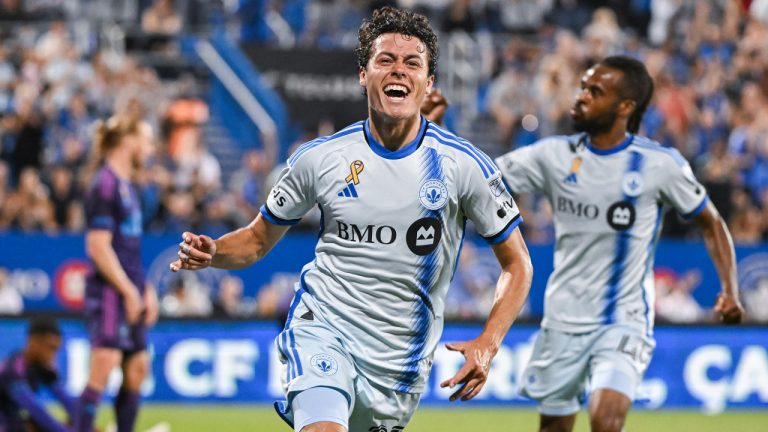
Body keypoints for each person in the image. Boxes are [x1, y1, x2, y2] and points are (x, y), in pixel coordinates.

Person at [170, 7, 532, 432]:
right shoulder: (320, 159)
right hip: (324, 329)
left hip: (397, 367)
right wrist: (214, 251)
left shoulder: (463, 165)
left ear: (428, 82)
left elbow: (518, 263)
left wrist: (488, 343)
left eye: (412, 63)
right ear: (364, 74)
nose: (398, 70)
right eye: (385, 60)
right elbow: (254, 241)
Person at [494, 56, 744, 432]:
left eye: (595, 91)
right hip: (562, 319)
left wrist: (730, 289)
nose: (581, 97)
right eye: (583, 87)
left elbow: (711, 222)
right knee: (553, 428)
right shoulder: (553, 155)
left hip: (623, 320)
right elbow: (481, 177)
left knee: (605, 422)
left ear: (625, 107)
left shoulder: (659, 165)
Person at [74, 116, 158, 432]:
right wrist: (126, 289)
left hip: (130, 285)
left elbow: (127, 248)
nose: (150, 149)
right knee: (104, 365)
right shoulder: (105, 184)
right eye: (147, 141)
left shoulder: (128, 186)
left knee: (137, 367)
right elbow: (98, 246)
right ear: (129, 141)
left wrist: (144, 287)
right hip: (110, 290)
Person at [0, 317, 74, 432]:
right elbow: (33, 408)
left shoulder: (42, 368)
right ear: (33, 341)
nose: (53, 355)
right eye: (50, 348)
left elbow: (67, 400)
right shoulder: (13, 369)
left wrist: (85, 423)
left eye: (56, 350)